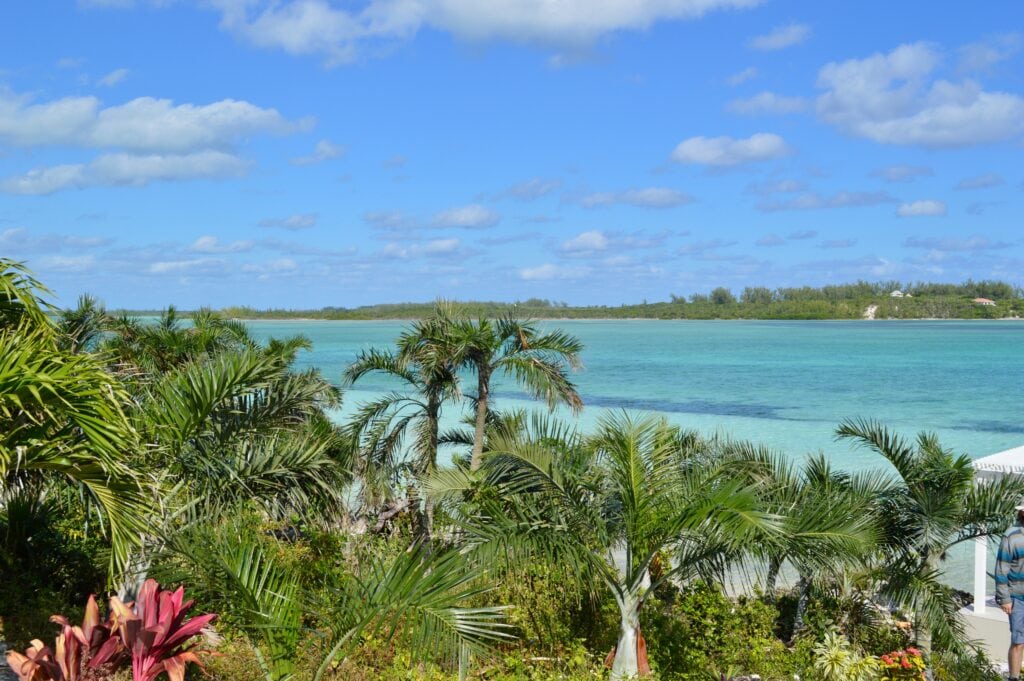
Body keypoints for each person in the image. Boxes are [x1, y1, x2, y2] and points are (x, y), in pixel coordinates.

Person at [996, 501, 1024, 681]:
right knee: (1019, 641)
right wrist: (1004, 598)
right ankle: (1013, 678)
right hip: (1017, 597)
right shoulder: (1012, 536)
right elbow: (1001, 569)